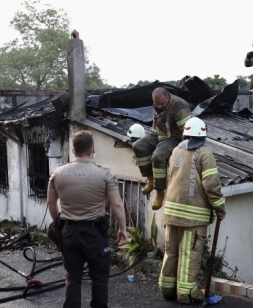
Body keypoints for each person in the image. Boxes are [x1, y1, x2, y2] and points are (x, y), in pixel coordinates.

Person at [47, 130, 127, 308]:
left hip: (68, 232)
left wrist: (58, 222)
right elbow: (117, 205)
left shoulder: (57, 173)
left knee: (72, 277)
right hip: (94, 234)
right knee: (99, 277)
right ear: (93, 149)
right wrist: (123, 229)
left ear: (73, 150)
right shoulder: (105, 174)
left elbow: (51, 203)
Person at [158, 117, 226, 305]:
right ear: (203, 135)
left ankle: (167, 289)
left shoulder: (175, 151)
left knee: (171, 253)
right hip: (193, 218)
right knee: (189, 254)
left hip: (171, 213)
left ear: (186, 134)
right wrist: (220, 208)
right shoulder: (205, 154)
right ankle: (186, 294)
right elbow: (212, 185)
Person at [131, 87, 192, 210]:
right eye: (156, 104)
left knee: (158, 156)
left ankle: (159, 192)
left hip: (174, 137)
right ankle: (151, 180)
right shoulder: (158, 105)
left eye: (162, 104)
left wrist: (186, 149)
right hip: (159, 134)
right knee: (138, 146)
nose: (159, 107)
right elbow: (156, 125)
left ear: (168, 97)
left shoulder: (179, 106)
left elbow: (187, 132)